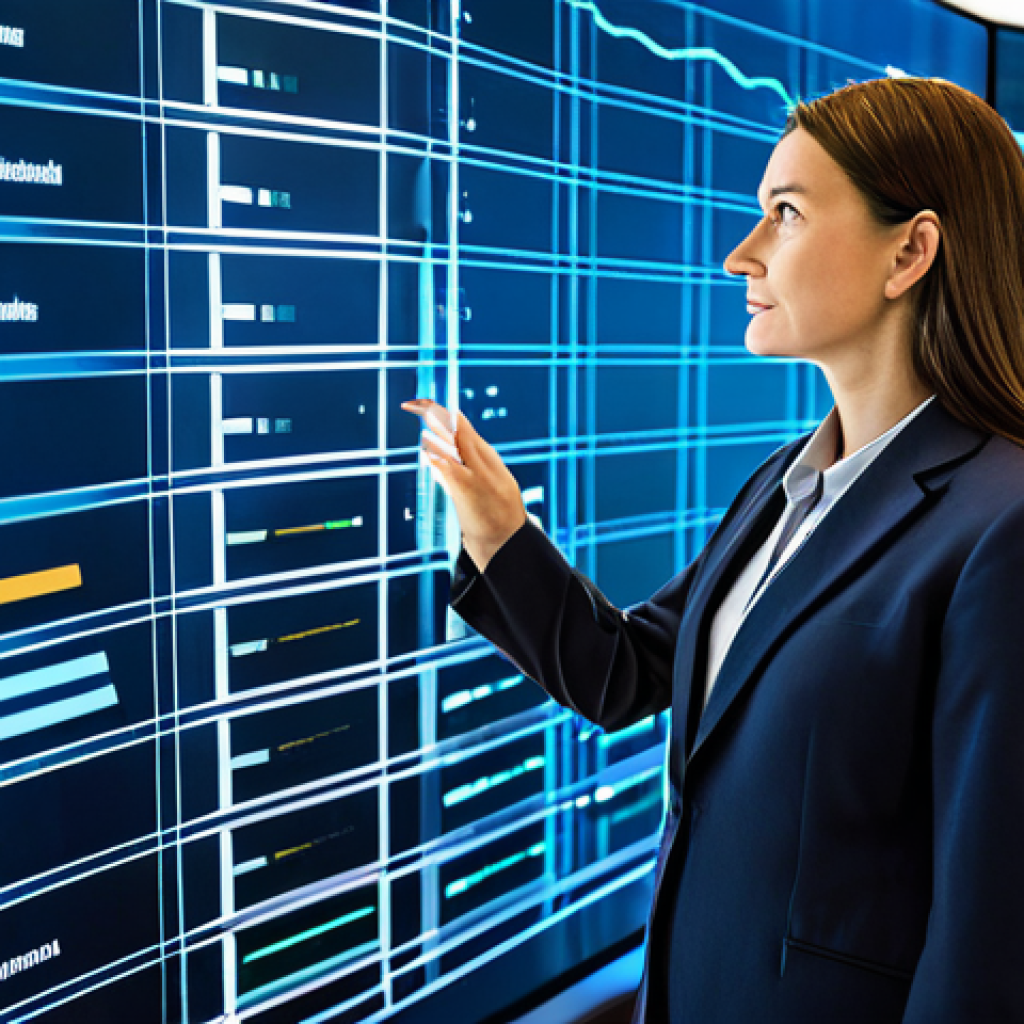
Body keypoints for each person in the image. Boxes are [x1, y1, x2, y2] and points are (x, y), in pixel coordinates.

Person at [403, 77, 1024, 1023]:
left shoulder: (1003, 523)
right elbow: (630, 671)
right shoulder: (785, 481)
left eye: (785, 214)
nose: (742, 254)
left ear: (911, 250)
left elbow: (988, 939)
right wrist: (498, 532)